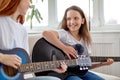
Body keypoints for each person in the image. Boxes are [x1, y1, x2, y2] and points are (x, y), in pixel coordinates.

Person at [42, 5, 114, 80]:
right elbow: (45, 33)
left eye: (76, 18)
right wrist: (64, 48)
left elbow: (85, 65)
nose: (72, 22)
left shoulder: (85, 40)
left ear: (82, 20)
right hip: (66, 73)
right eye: (69, 19)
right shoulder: (64, 34)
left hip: (80, 72)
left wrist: (101, 64)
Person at [0, 0, 67, 80]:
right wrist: (2, 58)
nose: (30, 5)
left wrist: (52, 67)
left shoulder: (22, 30)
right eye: (29, 0)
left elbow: (25, 65)